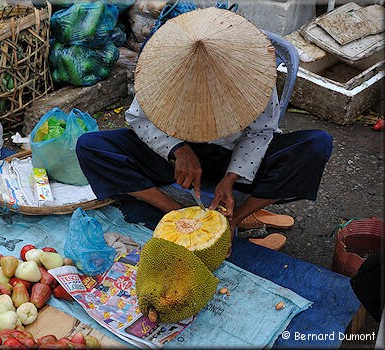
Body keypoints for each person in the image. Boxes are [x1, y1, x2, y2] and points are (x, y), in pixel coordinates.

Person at [76, 7, 333, 238]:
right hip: (176, 157)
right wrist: (178, 150)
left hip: (233, 154)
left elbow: (260, 131)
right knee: (91, 146)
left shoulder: (254, 73)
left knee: (316, 145)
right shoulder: (163, 69)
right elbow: (139, 117)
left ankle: (237, 218)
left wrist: (231, 178)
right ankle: (177, 212)